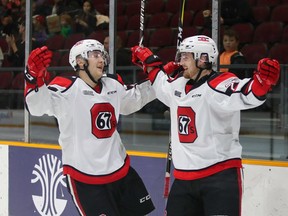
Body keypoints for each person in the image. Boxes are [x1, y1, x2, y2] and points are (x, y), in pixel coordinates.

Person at [131, 35, 280, 215]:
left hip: (219, 178)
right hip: (183, 180)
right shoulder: (177, 85)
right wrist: (148, 63)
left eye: (185, 57)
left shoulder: (220, 84)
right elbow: (160, 83)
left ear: (203, 59)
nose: (180, 62)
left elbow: (246, 93)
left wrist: (262, 83)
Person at [24, 39, 156, 215]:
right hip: (85, 179)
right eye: (95, 55)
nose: (101, 59)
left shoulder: (113, 85)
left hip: (121, 172)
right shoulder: (66, 89)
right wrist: (33, 78)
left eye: (102, 55)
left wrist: (159, 77)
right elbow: (37, 106)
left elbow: (134, 99)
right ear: (80, 61)